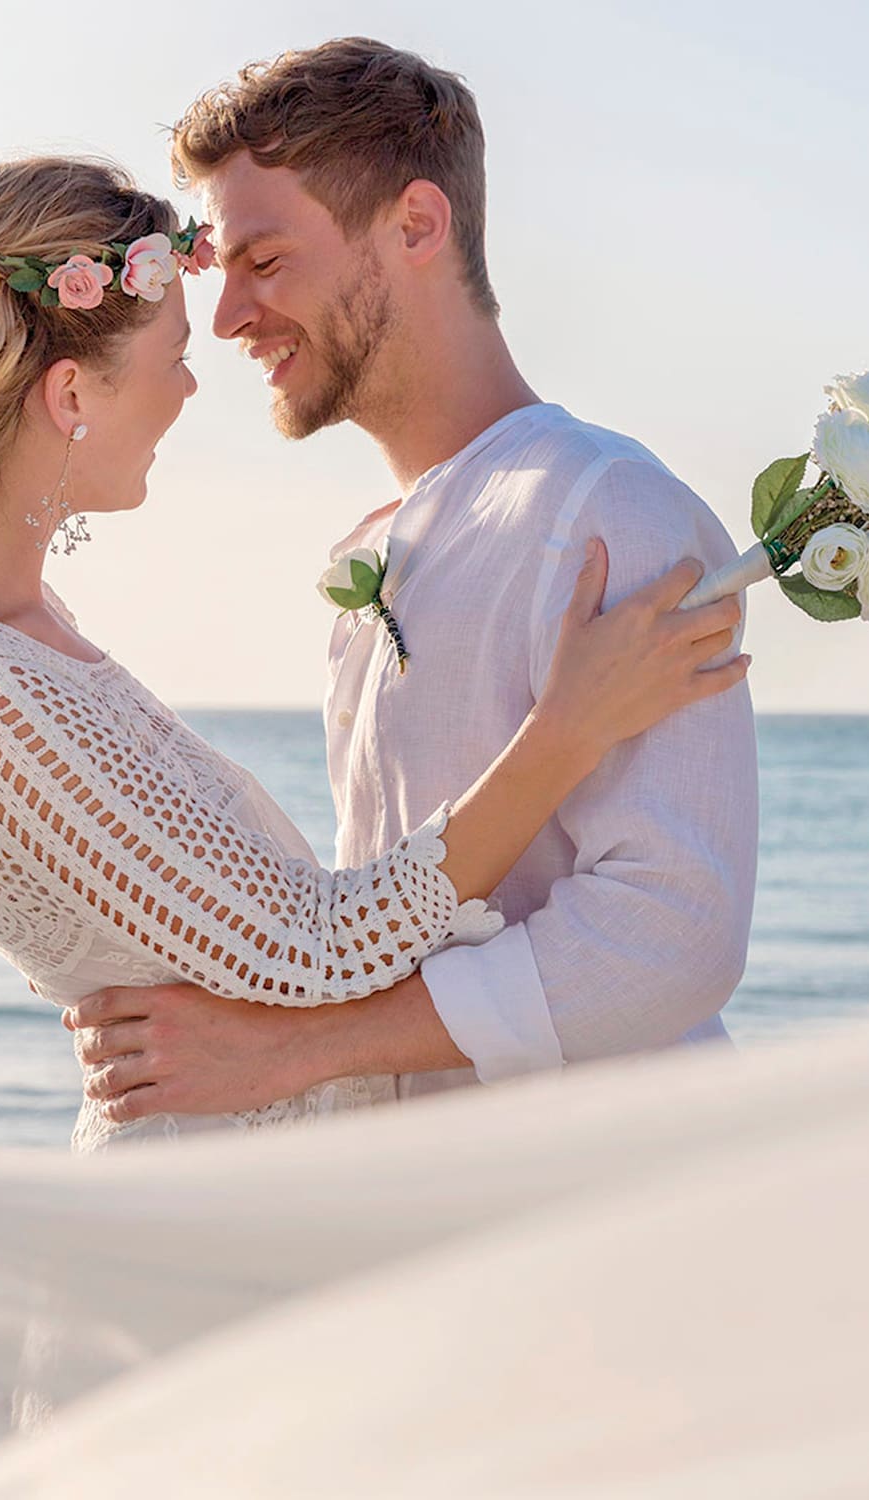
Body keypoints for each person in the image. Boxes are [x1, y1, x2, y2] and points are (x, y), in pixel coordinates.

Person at [0, 157, 748, 1154]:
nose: (193, 380)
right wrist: (566, 732)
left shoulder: (16, 637)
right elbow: (317, 942)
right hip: (198, 1216)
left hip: (264, 1191)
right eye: (169, 357)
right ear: (70, 391)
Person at [65, 38, 761, 1122]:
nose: (230, 319)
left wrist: (295, 1052)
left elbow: (669, 934)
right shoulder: (374, 549)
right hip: (424, 1210)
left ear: (416, 226)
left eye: (264, 261)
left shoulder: (611, 513)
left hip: (606, 1209)